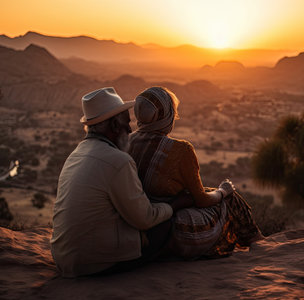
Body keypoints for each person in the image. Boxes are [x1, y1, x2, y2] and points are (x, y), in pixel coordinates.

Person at [50, 87, 191, 278]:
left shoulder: (77, 153)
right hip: (94, 264)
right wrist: (176, 205)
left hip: (64, 259)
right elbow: (145, 219)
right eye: (126, 123)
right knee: (165, 224)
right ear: (115, 126)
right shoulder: (118, 160)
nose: (130, 129)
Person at [128, 87, 264, 259]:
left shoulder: (125, 142)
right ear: (168, 116)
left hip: (139, 228)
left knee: (208, 190)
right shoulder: (180, 150)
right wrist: (223, 191)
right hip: (172, 231)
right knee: (230, 197)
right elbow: (201, 200)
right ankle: (260, 245)